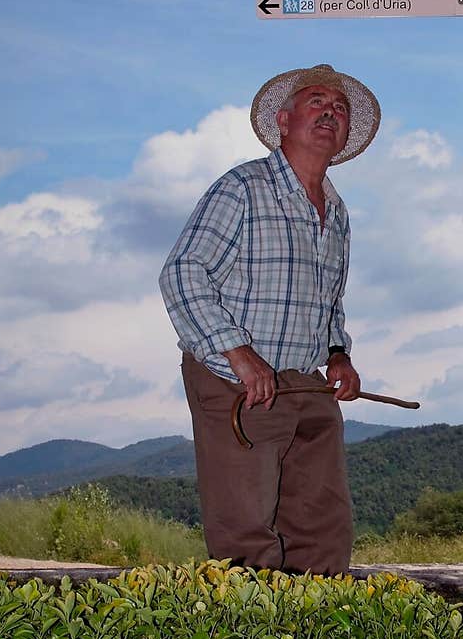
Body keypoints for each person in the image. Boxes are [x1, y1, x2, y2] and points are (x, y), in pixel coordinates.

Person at [159, 63, 380, 576]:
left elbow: (328, 301)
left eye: (340, 109)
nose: (331, 112)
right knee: (245, 533)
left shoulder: (337, 212)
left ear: (346, 133)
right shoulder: (243, 187)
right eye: (317, 102)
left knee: (323, 526)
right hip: (236, 383)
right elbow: (182, 271)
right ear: (283, 121)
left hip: (306, 385)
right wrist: (238, 353)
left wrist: (338, 353)